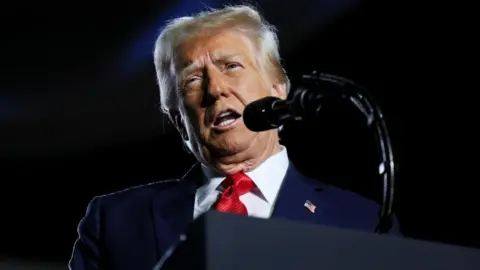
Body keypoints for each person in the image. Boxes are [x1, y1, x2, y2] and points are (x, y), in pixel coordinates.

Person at [69, 5, 400, 270]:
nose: (215, 89)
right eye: (193, 80)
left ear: (278, 89)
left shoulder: (361, 222)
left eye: (231, 66)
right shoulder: (115, 222)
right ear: (178, 120)